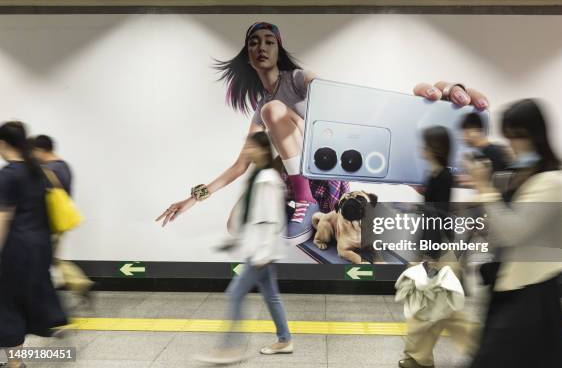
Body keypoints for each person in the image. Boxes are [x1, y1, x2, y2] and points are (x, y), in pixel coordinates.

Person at [155, 22, 490, 243]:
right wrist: (193, 199)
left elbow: (345, 108)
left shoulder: (297, 79)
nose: (261, 47)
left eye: (269, 41)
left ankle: (307, 198)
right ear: (248, 54)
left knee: (275, 111)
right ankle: (301, 202)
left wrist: (402, 158)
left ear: (277, 49)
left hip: (323, 164)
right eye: (254, 43)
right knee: (234, 225)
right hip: (294, 170)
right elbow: (239, 165)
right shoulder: (261, 107)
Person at [464, 99, 562, 368]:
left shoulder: (553, 182)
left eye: (517, 137)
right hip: (507, 287)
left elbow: (513, 232)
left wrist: (484, 188)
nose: (512, 145)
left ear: (535, 136)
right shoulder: (519, 176)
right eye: (509, 137)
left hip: (532, 293)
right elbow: (499, 226)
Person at [198, 132, 292, 364]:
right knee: (271, 296)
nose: (247, 151)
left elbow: (272, 220)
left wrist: (263, 253)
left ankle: (231, 347)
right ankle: (285, 339)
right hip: (258, 249)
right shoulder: (257, 177)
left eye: (251, 147)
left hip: (262, 252)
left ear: (262, 150)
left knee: (235, 294)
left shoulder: (268, 179)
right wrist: (237, 239)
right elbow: (250, 216)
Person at [399, 126, 476, 368]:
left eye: (426, 144)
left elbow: (439, 219)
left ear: (436, 148)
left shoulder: (442, 177)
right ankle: (420, 357)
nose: (422, 149)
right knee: (436, 309)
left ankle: (483, 351)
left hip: (439, 253)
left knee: (438, 310)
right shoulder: (435, 175)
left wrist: (428, 258)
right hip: (436, 250)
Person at [0, 122, 68, 368]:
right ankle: (16, 360)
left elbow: (3, 218)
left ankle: (14, 364)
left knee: (7, 305)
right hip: (39, 246)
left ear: (3, 144)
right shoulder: (39, 170)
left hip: (15, 249)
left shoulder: (8, 175)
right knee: (19, 301)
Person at [30, 135, 93, 309]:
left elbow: (43, 198)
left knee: (43, 260)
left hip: (49, 223)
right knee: (53, 259)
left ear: (41, 150)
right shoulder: (64, 166)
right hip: (60, 221)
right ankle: (80, 283)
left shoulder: (48, 170)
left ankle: (49, 302)